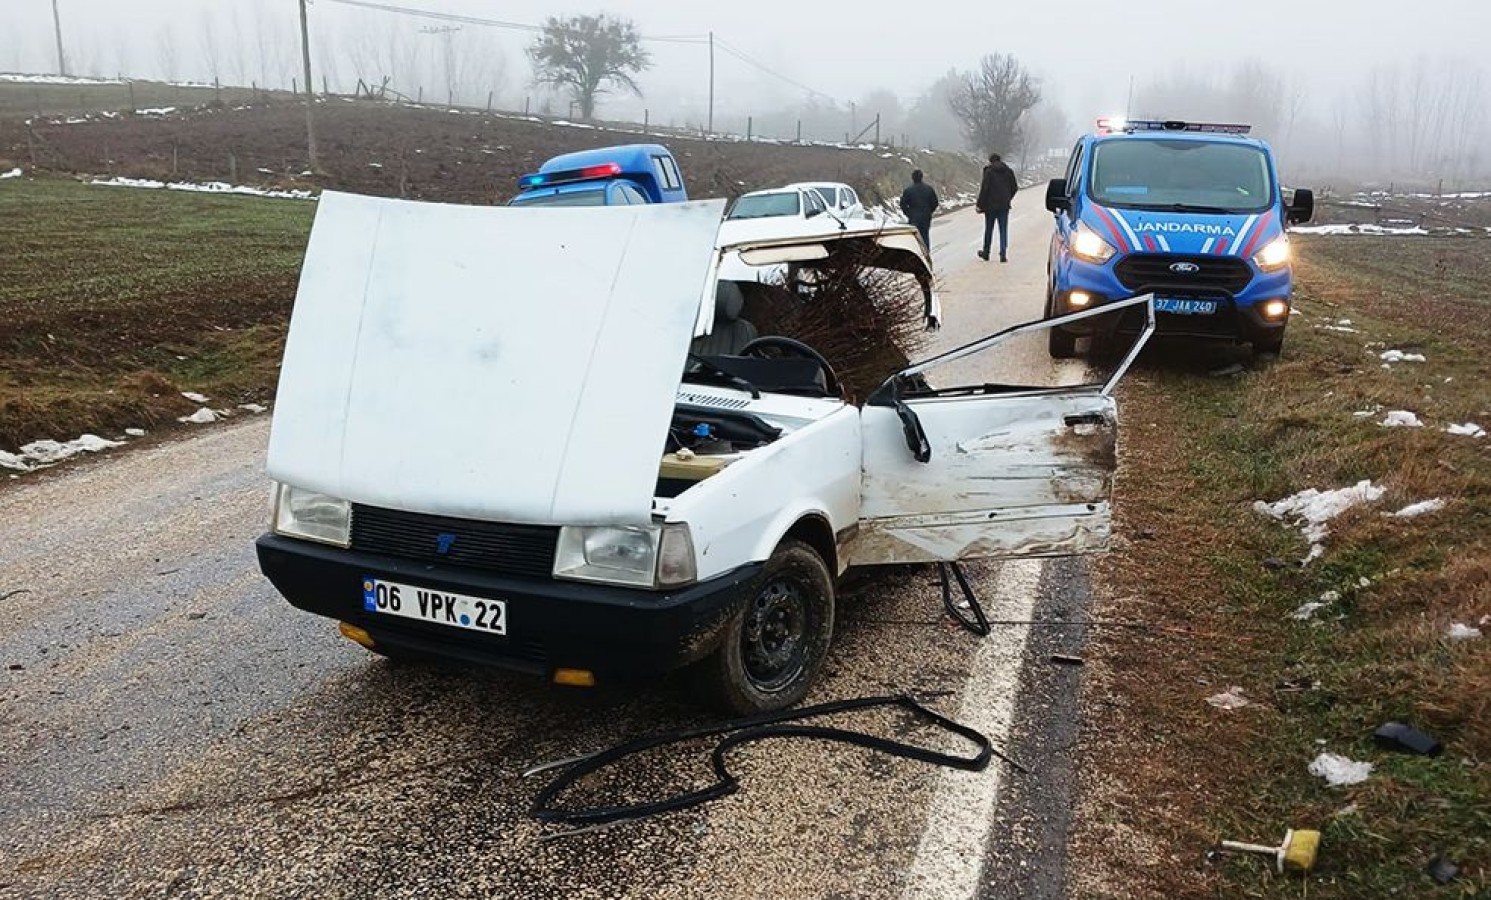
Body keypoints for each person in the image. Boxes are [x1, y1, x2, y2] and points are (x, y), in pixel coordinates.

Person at [976, 152, 1019, 262]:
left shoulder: (989, 172)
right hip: (1004, 206)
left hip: (990, 206)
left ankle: (986, 252)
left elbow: (984, 189)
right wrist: (1008, 198)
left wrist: (980, 205)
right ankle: (1003, 253)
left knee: (989, 229)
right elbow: (1015, 187)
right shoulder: (1008, 171)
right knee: (1003, 229)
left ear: (990, 161)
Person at [899, 170, 939, 254]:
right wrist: (929, 211)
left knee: (915, 237)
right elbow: (935, 203)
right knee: (925, 236)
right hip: (926, 217)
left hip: (914, 218)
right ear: (922, 177)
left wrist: (909, 214)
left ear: (912, 178)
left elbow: (903, 204)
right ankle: (926, 254)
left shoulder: (908, 190)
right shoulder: (929, 189)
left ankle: (916, 254)